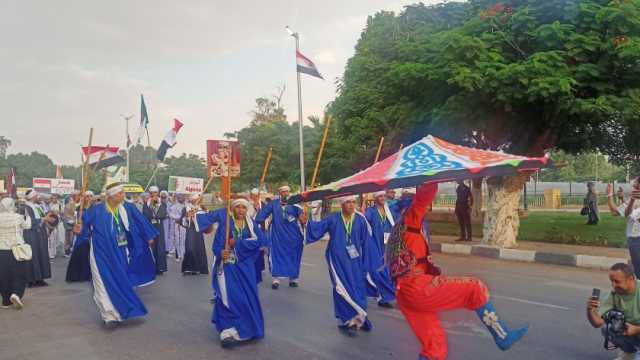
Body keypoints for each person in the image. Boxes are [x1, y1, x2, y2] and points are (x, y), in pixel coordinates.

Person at [387, 182, 528, 360]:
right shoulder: (411, 219)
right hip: (417, 288)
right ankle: (502, 336)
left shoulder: (397, 231)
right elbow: (424, 197)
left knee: (435, 348)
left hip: (404, 294)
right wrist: (434, 176)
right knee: (474, 287)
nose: (424, 210)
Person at [72, 183, 158, 328]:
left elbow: (141, 221)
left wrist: (149, 236)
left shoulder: (128, 208)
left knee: (121, 279)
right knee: (102, 282)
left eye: (123, 193)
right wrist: (78, 229)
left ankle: (123, 310)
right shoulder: (95, 211)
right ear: (110, 196)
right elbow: (83, 230)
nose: (123, 196)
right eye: (120, 193)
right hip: (101, 252)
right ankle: (109, 316)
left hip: (122, 251)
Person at [195, 198, 269, 347]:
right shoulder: (226, 220)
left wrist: (238, 243)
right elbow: (213, 236)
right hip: (228, 265)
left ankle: (247, 328)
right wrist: (220, 252)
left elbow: (262, 241)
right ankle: (228, 330)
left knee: (247, 297)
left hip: (245, 267)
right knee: (228, 295)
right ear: (233, 209)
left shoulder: (251, 224)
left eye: (243, 207)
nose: (241, 210)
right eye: (238, 207)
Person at [305, 196, 374, 336]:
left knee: (357, 287)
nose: (351, 205)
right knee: (341, 288)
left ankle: (360, 316)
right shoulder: (333, 218)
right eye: (348, 202)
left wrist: (368, 263)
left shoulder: (360, 220)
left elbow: (366, 242)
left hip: (355, 260)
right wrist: (306, 221)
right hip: (337, 260)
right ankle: (349, 320)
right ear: (342, 204)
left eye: (353, 202)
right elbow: (317, 229)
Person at [363, 190, 411, 308]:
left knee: (392, 270)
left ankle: (388, 295)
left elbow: (404, 203)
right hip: (376, 245)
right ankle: (384, 296)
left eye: (384, 196)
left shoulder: (391, 210)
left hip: (390, 245)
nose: (383, 198)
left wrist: (415, 193)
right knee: (380, 271)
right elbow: (363, 223)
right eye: (380, 196)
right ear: (375, 198)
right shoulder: (371, 212)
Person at [256, 185, 305, 289]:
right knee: (276, 255)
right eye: (283, 192)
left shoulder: (296, 204)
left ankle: (293, 279)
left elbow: (303, 220)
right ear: (280, 193)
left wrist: (304, 214)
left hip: (293, 236)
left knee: (293, 257)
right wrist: (263, 228)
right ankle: (276, 279)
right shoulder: (273, 204)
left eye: (287, 192)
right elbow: (260, 217)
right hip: (277, 236)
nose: (286, 194)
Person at [587, 263, 640, 359]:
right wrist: (590, 309)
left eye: (617, 281)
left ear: (631, 278)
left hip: (636, 330)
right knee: (608, 329)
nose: (613, 285)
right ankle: (629, 354)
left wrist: (637, 329)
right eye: (611, 281)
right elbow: (597, 323)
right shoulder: (615, 294)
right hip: (632, 332)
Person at [0, 197, 31, 310]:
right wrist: (27, 217)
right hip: (16, 249)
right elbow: (27, 226)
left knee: (3, 275)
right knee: (19, 274)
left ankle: (5, 301)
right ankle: (16, 293)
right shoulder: (17, 217)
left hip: (1, 251)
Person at [607, 179, 640, 278]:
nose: (633, 188)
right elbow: (617, 212)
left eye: (635, 186)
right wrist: (609, 195)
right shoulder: (632, 200)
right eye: (634, 186)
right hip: (635, 239)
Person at [23, 190, 53, 287]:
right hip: (31, 234)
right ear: (32, 197)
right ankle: (31, 280)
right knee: (33, 256)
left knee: (41, 255)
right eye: (36, 196)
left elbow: (43, 218)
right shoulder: (25, 207)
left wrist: (48, 220)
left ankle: (40, 278)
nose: (38, 197)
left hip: (40, 234)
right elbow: (28, 222)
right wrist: (44, 219)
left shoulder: (38, 206)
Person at [66, 191, 95, 282]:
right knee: (80, 252)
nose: (89, 198)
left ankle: (90, 275)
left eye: (91, 196)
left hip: (93, 232)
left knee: (91, 255)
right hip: (82, 233)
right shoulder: (79, 208)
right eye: (87, 196)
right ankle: (78, 275)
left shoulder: (95, 208)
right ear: (84, 198)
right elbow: (74, 219)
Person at [181, 194, 209, 275]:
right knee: (190, 248)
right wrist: (187, 217)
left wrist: (204, 211)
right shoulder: (186, 208)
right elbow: (182, 221)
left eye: (197, 199)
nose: (196, 200)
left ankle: (198, 268)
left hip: (198, 231)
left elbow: (207, 219)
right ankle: (188, 268)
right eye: (194, 199)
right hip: (190, 230)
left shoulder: (201, 208)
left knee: (198, 248)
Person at [143, 186, 168, 275]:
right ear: (150, 194)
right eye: (152, 193)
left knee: (160, 247)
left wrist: (154, 214)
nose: (153, 194)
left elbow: (163, 215)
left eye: (155, 192)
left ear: (158, 193)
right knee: (151, 247)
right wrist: (153, 213)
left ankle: (160, 268)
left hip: (159, 226)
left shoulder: (162, 203)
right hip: (150, 226)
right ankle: (151, 267)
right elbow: (145, 215)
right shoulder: (146, 203)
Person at [168, 194, 186, 262]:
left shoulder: (186, 206)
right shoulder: (174, 206)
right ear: (178, 199)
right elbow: (170, 214)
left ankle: (183, 253)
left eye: (183, 197)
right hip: (177, 224)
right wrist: (177, 218)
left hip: (184, 225)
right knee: (177, 240)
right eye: (180, 198)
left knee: (183, 240)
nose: (181, 199)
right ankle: (178, 255)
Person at [63, 191, 81, 257]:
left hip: (79, 226)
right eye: (77, 195)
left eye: (79, 195)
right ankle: (67, 251)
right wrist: (73, 222)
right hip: (70, 226)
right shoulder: (68, 206)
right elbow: (66, 216)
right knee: (69, 240)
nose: (78, 197)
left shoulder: (81, 205)